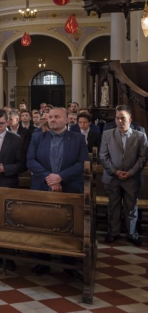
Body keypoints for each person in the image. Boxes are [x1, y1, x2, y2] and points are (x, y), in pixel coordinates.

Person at [27, 108, 89, 276]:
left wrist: (61, 177)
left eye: (56, 117)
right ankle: (42, 261)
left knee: (67, 225)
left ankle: (69, 264)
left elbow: (82, 163)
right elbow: (30, 160)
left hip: (69, 188)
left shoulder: (77, 138)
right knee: (42, 223)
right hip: (43, 186)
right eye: (50, 117)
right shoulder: (38, 137)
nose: (52, 119)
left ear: (67, 120)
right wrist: (49, 177)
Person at [99, 105, 148, 246]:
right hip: (112, 177)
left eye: (123, 118)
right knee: (113, 206)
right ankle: (113, 233)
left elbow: (143, 158)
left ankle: (132, 234)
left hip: (132, 178)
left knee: (131, 207)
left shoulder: (140, 136)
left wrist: (131, 172)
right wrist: (115, 171)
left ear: (130, 119)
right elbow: (103, 156)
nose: (120, 121)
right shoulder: (107, 134)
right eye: (117, 118)